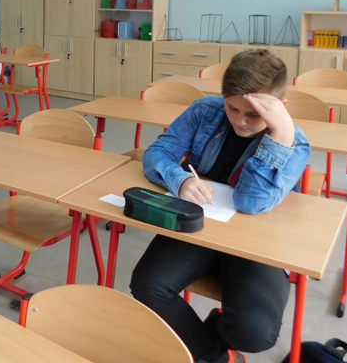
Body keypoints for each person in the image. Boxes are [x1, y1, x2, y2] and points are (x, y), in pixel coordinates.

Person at [130, 49, 310, 363]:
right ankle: (216, 358)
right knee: (148, 286)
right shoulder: (205, 111)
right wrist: (180, 180)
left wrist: (280, 134)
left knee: (255, 333)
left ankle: (205, 337)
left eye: (253, 115)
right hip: (203, 223)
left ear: (280, 107)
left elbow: (250, 202)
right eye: (232, 108)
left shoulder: (295, 143)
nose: (240, 120)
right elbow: (157, 153)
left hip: (257, 239)